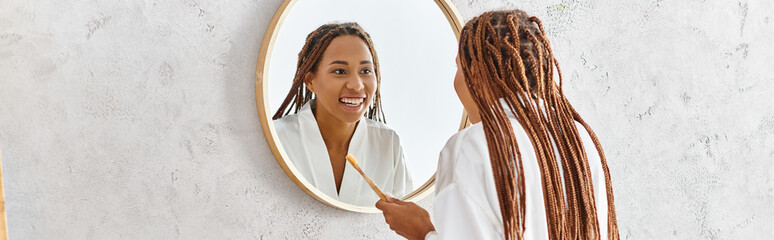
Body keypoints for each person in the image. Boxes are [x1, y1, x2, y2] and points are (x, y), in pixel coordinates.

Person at [376, 10, 620, 240]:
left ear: (478, 74)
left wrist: (423, 231)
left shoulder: (473, 147)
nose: (455, 81)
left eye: (458, 67)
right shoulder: (579, 140)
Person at [273, 22, 413, 206]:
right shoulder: (278, 138)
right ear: (310, 81)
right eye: (340, 71)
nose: (357, 85)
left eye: (366, 71)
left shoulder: (388, 143)